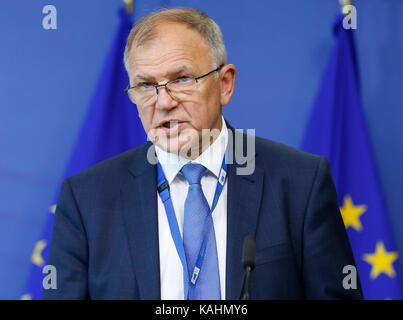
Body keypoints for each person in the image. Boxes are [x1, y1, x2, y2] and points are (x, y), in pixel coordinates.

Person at [43, 7, 363, 300]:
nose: (163, 102)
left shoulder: (300, 184)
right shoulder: (86, 199)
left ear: (225, 84)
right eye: (145, 85)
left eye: (182, 79)